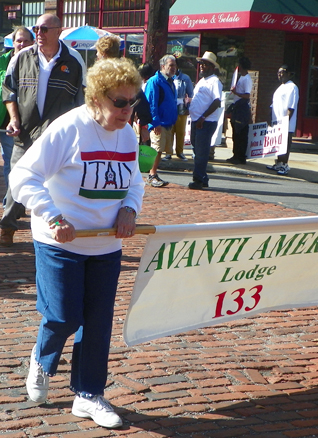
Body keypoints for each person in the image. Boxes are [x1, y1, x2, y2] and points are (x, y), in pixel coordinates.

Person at [9, 57, 144, 428]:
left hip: (105, 245)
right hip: (59, 241)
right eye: (120, 102)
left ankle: (88, 394)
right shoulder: (69, 129)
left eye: (133, 101)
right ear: (97, 98)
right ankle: (42, 358)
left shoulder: (128, 134)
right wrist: (53, 215)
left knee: (98, 323)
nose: (127, 110)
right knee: (64, 314)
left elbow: (134, 181)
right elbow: (23, 176)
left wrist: (130, 209)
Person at [0, 14, 86, 247]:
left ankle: (57, 231)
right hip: (24, 133)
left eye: (45, 29)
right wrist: (14, 119)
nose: (39, 33)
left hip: (57, 137)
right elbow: (9, 91)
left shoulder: (74, 60)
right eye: (36, 28)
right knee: (17, 179)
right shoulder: (21, 58)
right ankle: (7, 228)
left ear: (59, 31)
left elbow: (82, 99)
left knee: (58, 184)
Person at [0, 26, 34, 207]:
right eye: (18, 40)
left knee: (11, 163)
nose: (21, 44)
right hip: (1, 116)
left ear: (32, 42)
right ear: (13, 43)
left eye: (25, 40)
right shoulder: (2, 61)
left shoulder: (35, 63)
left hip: (15, 123)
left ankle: (11, 202)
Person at [188, 51, 222, 190]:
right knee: (196, 150)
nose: (202, 66)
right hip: (196, 120)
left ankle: (198, 180)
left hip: (206, 122)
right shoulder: (202, 81)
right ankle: (203, 177)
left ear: (212, 67)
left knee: (201, 152)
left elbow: (216, 102)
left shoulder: (215, 81)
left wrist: (203, 117)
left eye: (206, 64)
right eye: (201, 64)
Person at [143, 55, 177, 187]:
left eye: (175, 65)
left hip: (167, 122)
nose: (174, 68)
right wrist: (155, 122)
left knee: (161, 149)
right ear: (163, 66)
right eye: (171, 65)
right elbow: (151, 103)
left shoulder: (170, 81)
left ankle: (153, 173)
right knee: (156, 149)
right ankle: (152, 175)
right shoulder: (155, 81)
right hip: (159, 123)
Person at [266, 65, 299, 176]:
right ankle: (279, 163)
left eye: (283, 72)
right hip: (276, 122)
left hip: (286, 124)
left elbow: (291, 107)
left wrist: (285, 122)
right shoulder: (280, 87)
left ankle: (285, 165)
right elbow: (273, 105)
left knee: (285, 145)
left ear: (289, 74)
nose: (280, 75)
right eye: (279, 72)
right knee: (278, 144)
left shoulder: (292, 87)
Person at [226, 57, 253, 165]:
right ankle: (235, 154)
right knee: (236, 132)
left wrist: (236, 93)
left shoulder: (247, 79)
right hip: (237, 106)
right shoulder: (241, 77)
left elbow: (247, 95)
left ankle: (241, 156)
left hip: (242, 107)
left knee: (241, 132)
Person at [170, 57, 194, 161]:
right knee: (169, 130)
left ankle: (180, 152)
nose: (173, 68)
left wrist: (188, 106)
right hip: (170, 107)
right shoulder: (167, 77)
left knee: (180, 131)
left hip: (181, 107)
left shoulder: (186, 78)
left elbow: (191, 94)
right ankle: (168, 152)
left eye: (175, 65)